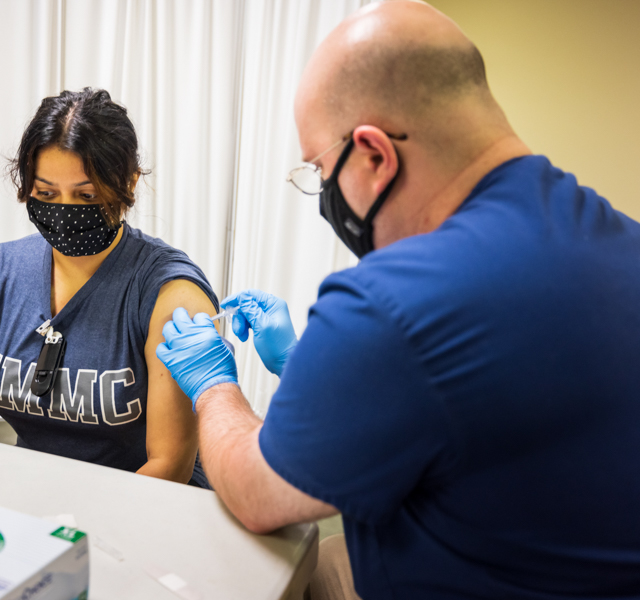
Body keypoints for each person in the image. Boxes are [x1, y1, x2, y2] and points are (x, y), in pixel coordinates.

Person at [155, 1, 640, 598]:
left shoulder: (393, 299)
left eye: (320, 171)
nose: (325, 193)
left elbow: (260, 496)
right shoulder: (615, 236)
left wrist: (213, 386)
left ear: (375, 155)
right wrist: (308, 363)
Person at [0, 88, 218, 488]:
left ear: (129, 182)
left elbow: (168, 468)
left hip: (149, 508)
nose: (65, 210)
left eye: (86, 195)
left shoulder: (170, 293)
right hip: (36, 497)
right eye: (46, 193)